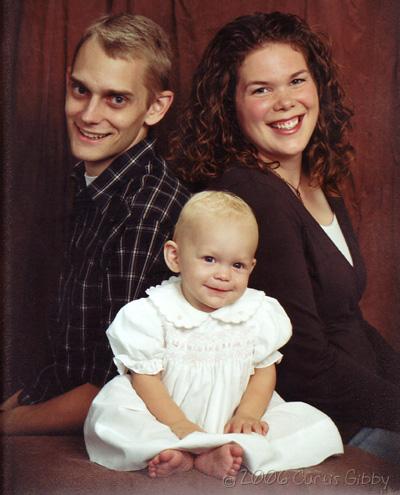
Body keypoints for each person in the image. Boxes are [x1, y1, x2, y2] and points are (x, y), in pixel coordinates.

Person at [169, 12, 400, 464]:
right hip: (335, 424)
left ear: (318, 87)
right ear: (229, 105)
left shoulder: (315, 180)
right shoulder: (256, 193)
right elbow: (303, 363)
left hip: (372, 408)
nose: (285, 101)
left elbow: (347, 320)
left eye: (296, 81)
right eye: (261, 89)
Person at [1, 13, 189, 434]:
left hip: (118, 416)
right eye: (80, 90)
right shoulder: (97, 183)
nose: (88, 114)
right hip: (63, 395)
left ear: (155, 107)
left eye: (116, 99)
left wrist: (12, 424)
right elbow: (68, 360)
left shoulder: (145, 212)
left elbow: (115, 381)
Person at [84, 191, 343, 479]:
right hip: (164, 416)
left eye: (237, 265)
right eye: (209, 259)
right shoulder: (152, 314)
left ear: (251, 267)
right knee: (115, 416)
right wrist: (180, 426)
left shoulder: (257, 313)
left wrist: (248, 414)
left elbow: (263, 373)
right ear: (175, 256)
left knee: (305, 426)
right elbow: (145, 380)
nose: (224, 275)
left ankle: (218, 451)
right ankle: (178, 450)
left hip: (230, 417)